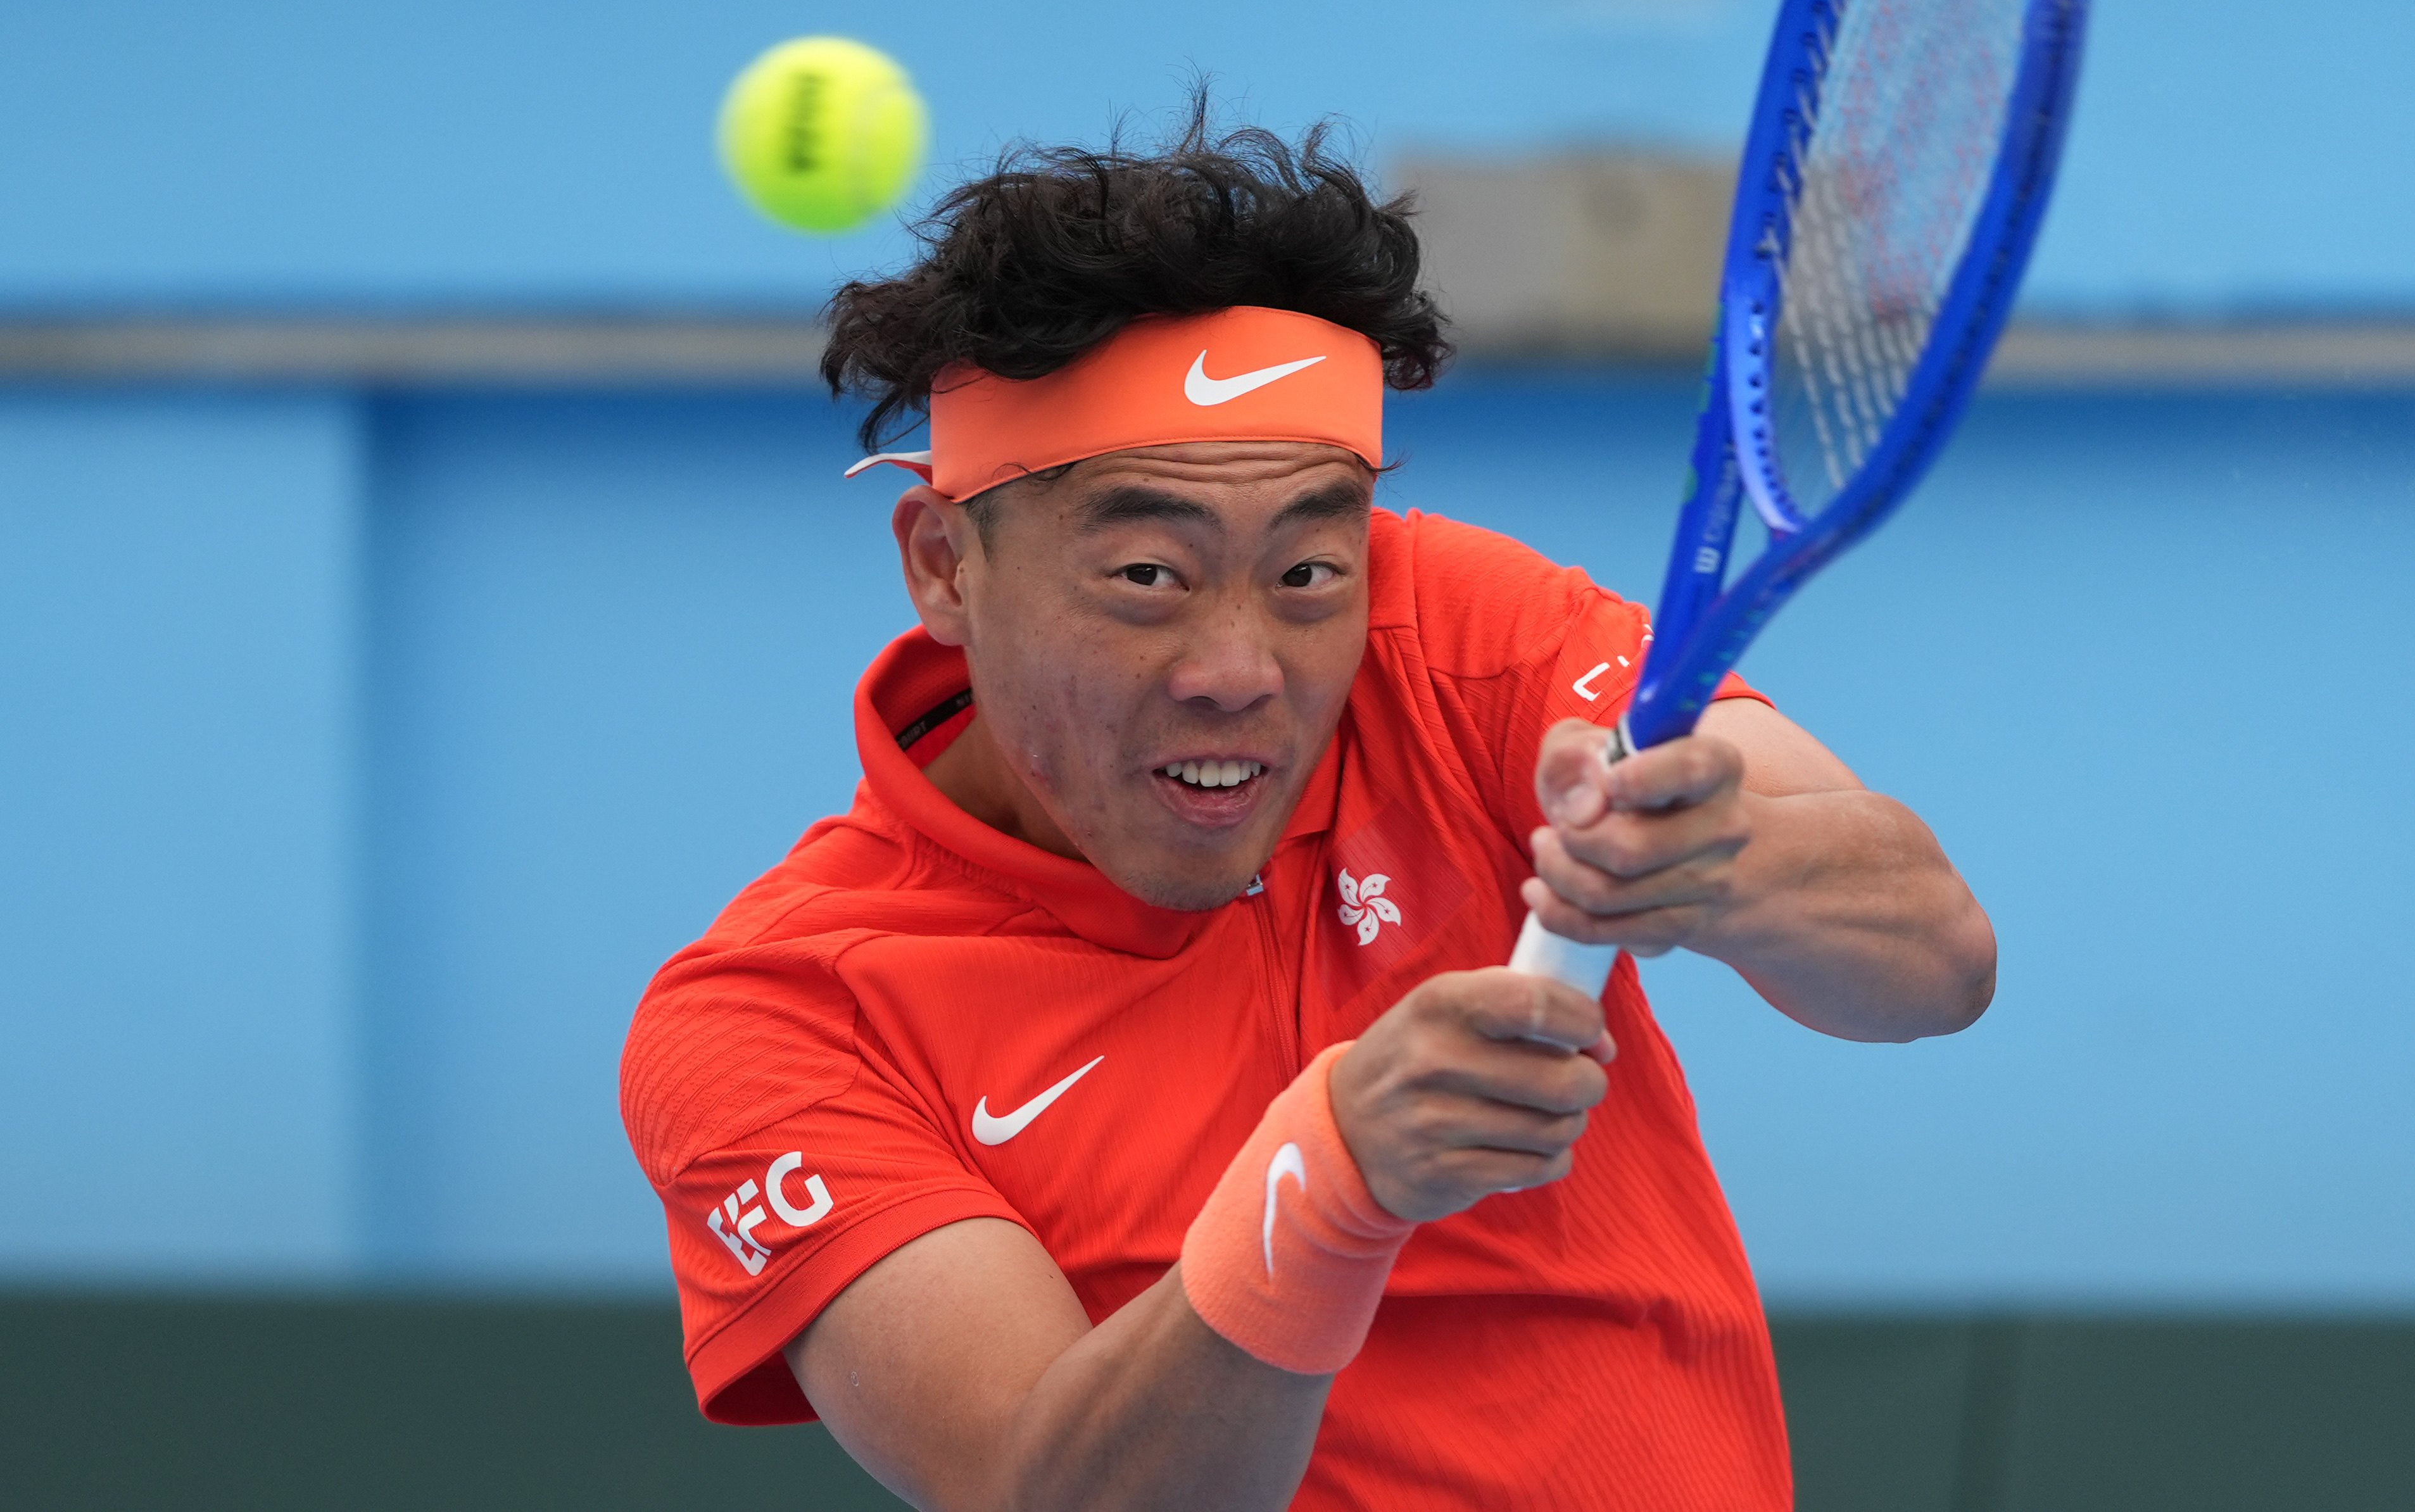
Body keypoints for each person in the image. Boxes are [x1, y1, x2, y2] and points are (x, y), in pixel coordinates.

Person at [620, 113, 1995, 1511]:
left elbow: (1933, 960)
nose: (1238, 671)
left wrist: (1718, 863)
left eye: (1307, 571)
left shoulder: (1462, 633)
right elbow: (1046, 1488)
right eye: (1149, 574)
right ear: (941, 565)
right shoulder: (771, 1020)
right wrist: (1329, 1178)